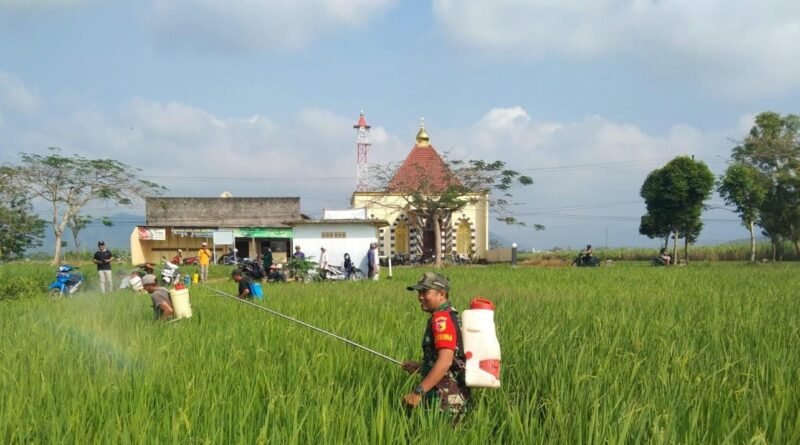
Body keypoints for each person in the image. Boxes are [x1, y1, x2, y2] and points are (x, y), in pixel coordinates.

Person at [401, 272, 470, 419]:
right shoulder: (449, 314)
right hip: (449, 395)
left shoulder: (442, 319)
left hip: (445, 399)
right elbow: (453, 359)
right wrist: (421, 367)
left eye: (425, 292)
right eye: (419, 292)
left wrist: (418, 392)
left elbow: (445, 361)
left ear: (442, 294)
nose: (420, 296)